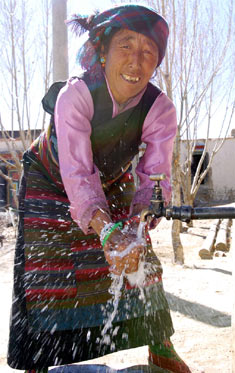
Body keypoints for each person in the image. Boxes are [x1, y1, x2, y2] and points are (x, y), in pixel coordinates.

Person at [7, 4, 192, 373]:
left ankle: (161, 347)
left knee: (141, 257)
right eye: (125, 46)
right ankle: (38, 362)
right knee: (48, 272)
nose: (136, 61)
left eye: (148, 52)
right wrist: (106, 231)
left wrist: (140, 222)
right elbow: (78, 174)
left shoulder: (160, 109)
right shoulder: (75, 95)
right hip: (51, 177)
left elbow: (154, 180)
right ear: (103, 53)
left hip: (110, 179)